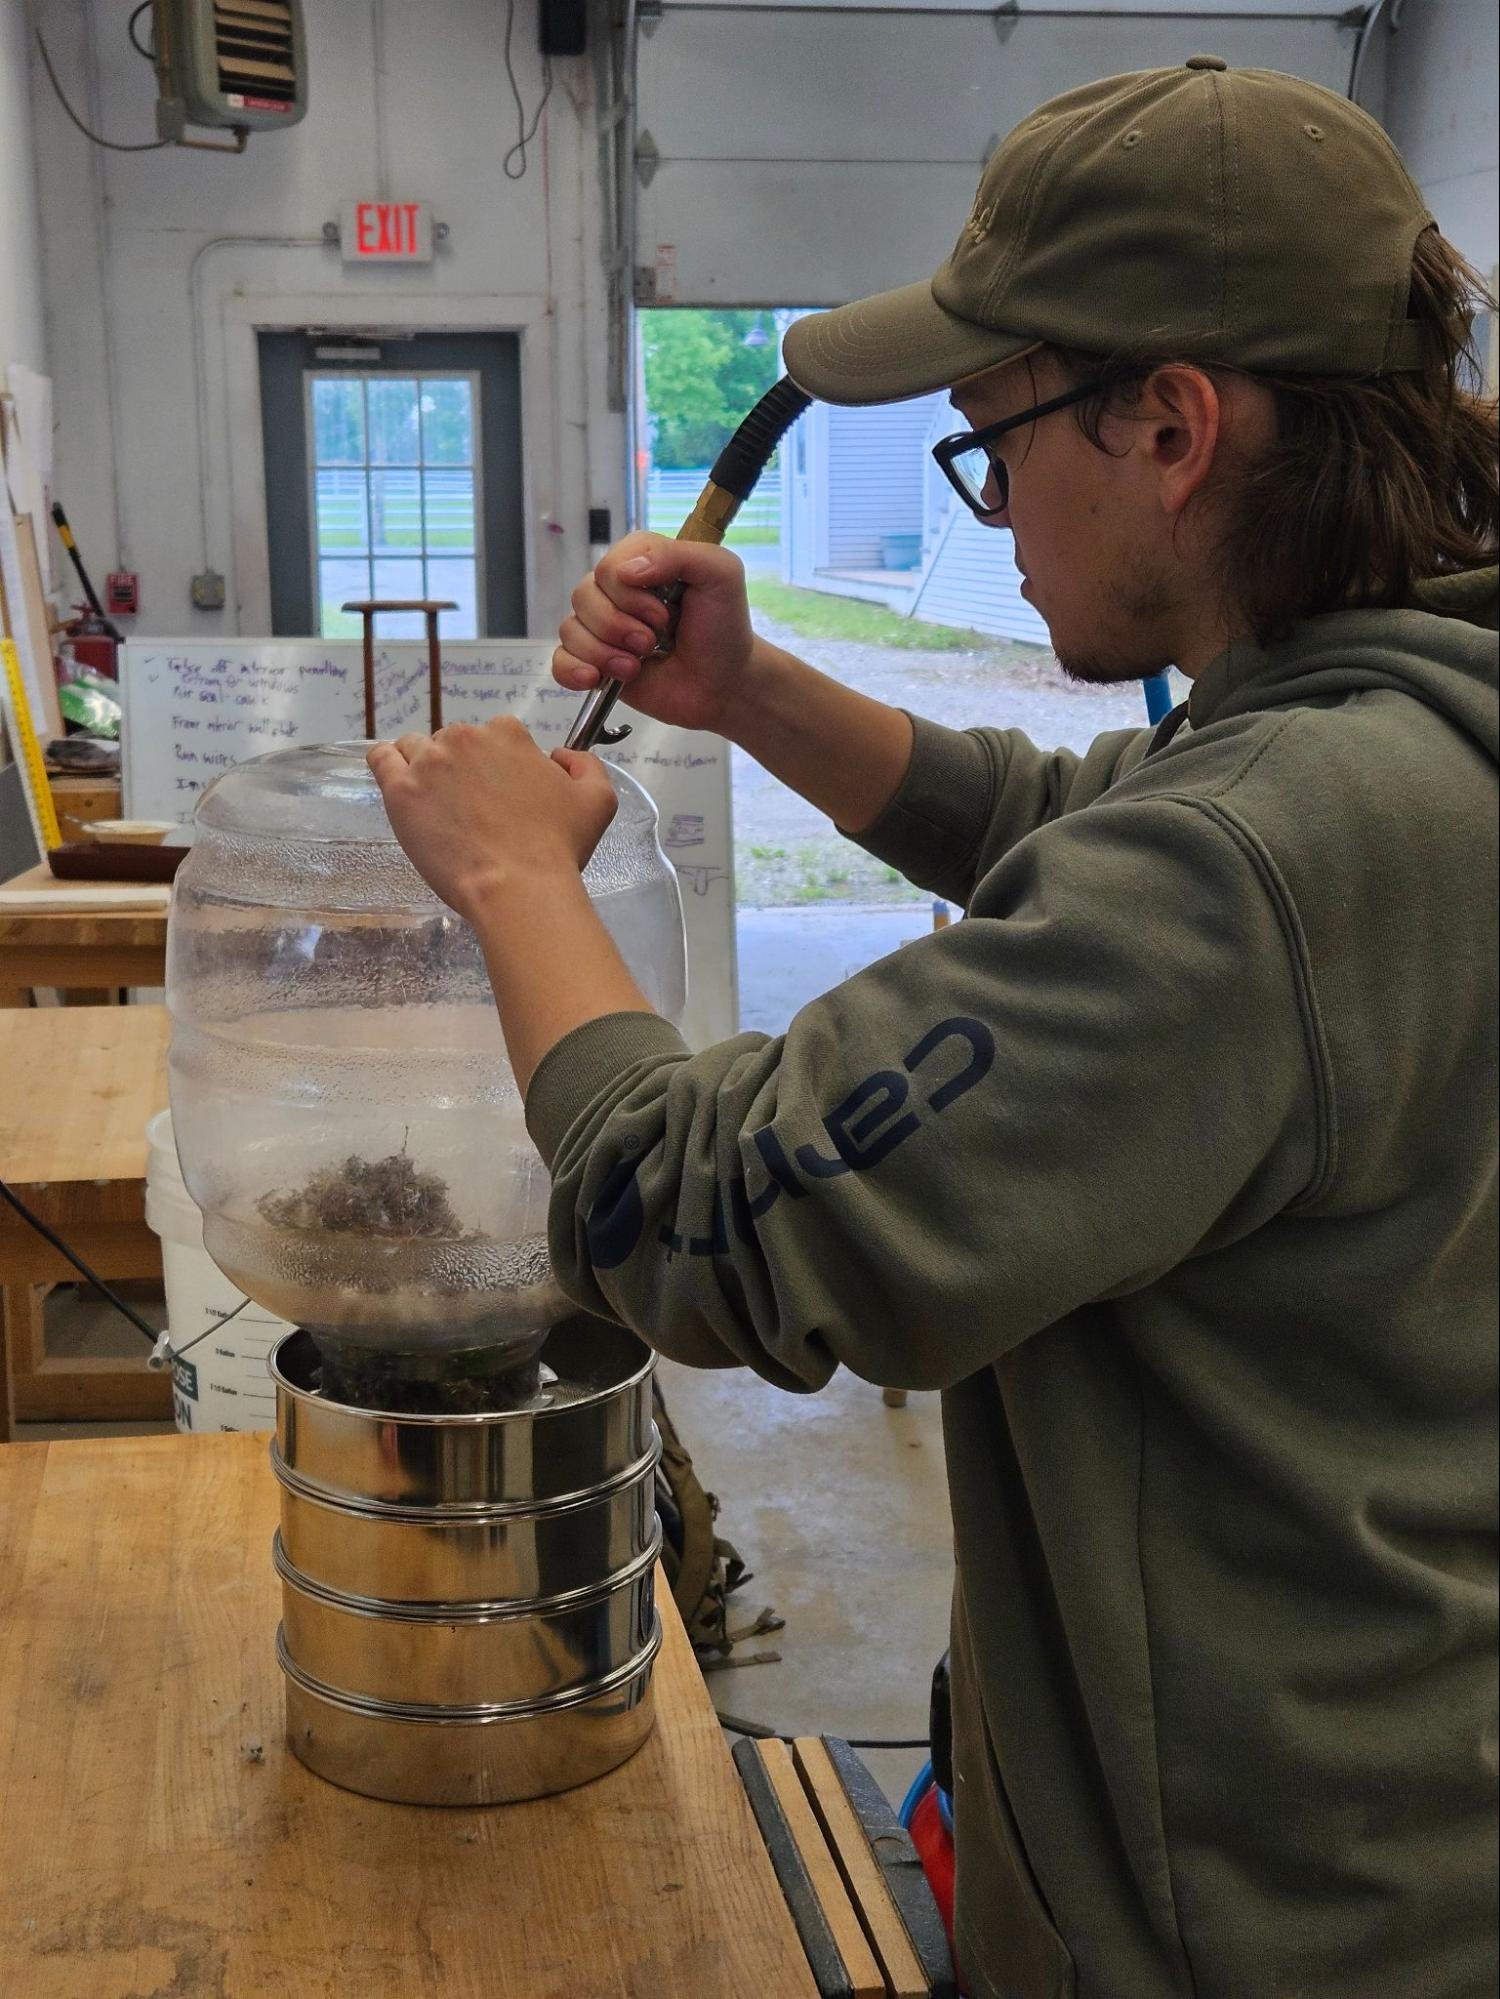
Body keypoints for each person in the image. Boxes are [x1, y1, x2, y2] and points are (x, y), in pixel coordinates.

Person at [368, 56, 1498, 1999]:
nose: (997, 508)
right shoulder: (1406, 748)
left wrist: (513, 885)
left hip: (1239, 1913)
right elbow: (1108, 845)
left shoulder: (1262, 860)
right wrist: (759, 691)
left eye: (992, 443)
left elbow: (702, 1219)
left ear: (1169, 426)